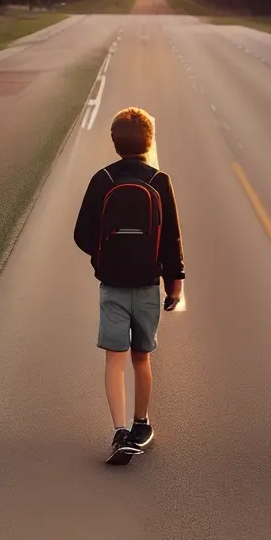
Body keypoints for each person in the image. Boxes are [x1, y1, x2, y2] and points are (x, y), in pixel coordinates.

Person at [73, 106, 185, 463]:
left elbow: (81, 234)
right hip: (148, 283)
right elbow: (171, 239)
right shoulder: (159, 181)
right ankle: (141, 423)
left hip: (112, 285)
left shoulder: (102, 179)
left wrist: (102, 256)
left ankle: (119, 431)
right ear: (149, 142)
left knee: (114, 359)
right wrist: (174, 285)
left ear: (115, 141)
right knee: (141, 358)